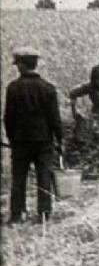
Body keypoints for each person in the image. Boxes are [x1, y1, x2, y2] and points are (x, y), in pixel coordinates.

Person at [3, 47, 63, 224]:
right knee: (44, 176)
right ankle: (44, 213)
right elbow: (55, 118)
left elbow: (8, 117)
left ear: (21, 65)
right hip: (44, 140)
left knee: (18, 177)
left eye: (18, 64)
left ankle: (16, 215)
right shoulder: (48, 88)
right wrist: (59, 139)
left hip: (21, 140)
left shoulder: (13, 88)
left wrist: (11, 137)